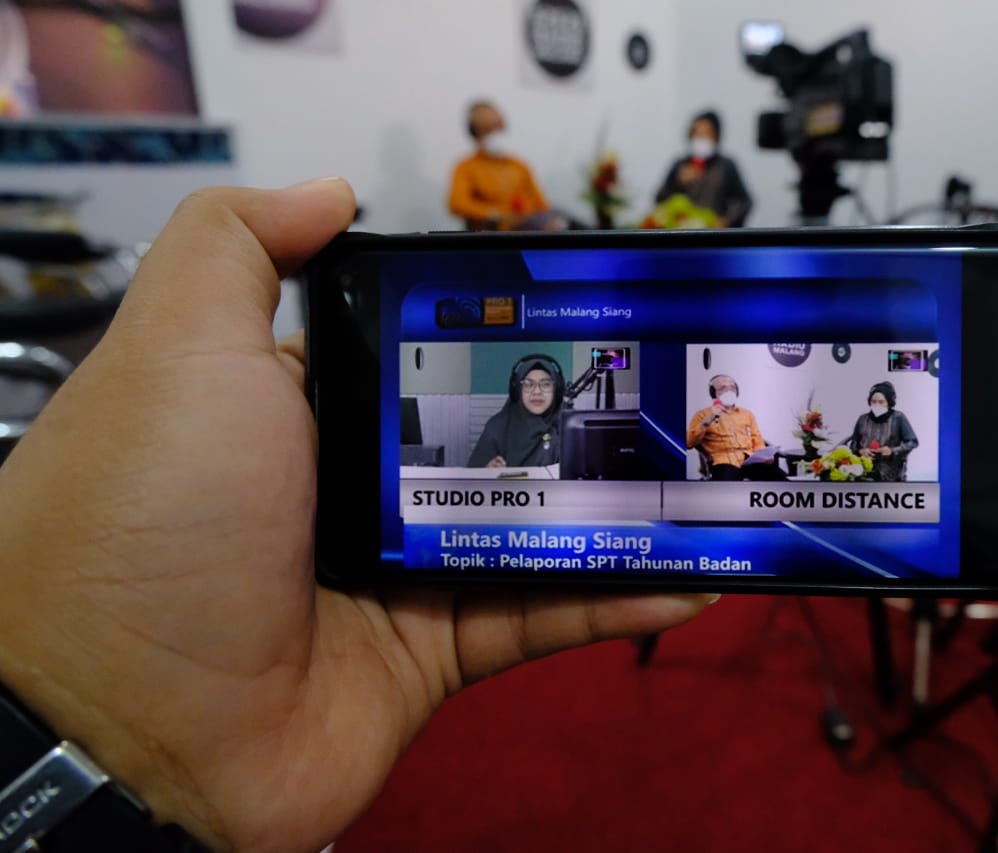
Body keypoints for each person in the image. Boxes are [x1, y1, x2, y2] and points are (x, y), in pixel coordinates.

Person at [0, 179, 715, 853]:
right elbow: (475, 474)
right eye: (528, 379)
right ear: (516, 384)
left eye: (544, 382)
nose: (537, 389)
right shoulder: (496, 424)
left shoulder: (571, 417)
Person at [448, 100, 558, 230]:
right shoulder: (466, 167)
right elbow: (457, 203)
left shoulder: (519, 166)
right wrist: (494, 214)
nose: (495, 133)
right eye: (487, 129)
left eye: (498, 127)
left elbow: (542, 206)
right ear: (474, 132)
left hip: (525, 233)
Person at [655, 110, 753, 228]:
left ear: (716, 137)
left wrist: (727, 220)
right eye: (697, 133)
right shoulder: (680, 165)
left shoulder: (726, 165)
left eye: (706, 133)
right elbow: (659, 200)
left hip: (715, 233)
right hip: (682, 232)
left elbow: (744, 202)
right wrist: (678, 183)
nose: (701, 138)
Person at [468, 353, 565, 469]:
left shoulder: (568, 426)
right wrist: (486, 471)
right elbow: (472, 475)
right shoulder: (497, 427)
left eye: (546, 384)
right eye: (528, 384)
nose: (537, 392)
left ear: (557, 389)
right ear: (517, 390)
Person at [686, 374, 783, 481]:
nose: (729, 391)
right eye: (723, 388)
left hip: (749, 461)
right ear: (713, 393)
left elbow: (758, 442)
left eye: (732, 388)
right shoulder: (702, 415)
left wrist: (764, 456)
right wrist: (708, 420)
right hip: (723, 462)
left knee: (779, 479)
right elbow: (689, 443)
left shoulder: (747, 414)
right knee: (730, 484)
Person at [847, 381, 919, 482]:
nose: (877, 405)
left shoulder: (898, 418)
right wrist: (861, 451)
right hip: (863, 472)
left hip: (891, 473)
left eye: (881, 402)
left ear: (889, 403)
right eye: (874, 401)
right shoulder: (862, 419)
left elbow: (912, 442)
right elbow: (853, 444)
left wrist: (892, 451)